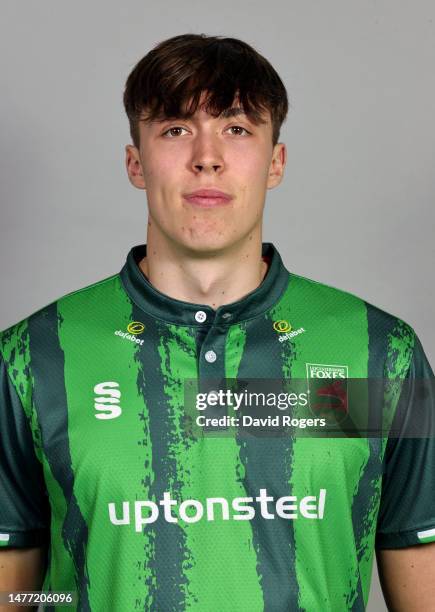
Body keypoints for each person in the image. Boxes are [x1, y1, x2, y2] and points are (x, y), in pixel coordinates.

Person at [0, 33, 434, 612]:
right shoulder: (32, 358)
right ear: (136, 162)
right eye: (176, 129)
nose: (207, 156)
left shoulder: (383, 353)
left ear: (275, 162)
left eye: (237, 128)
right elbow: (18, 594)